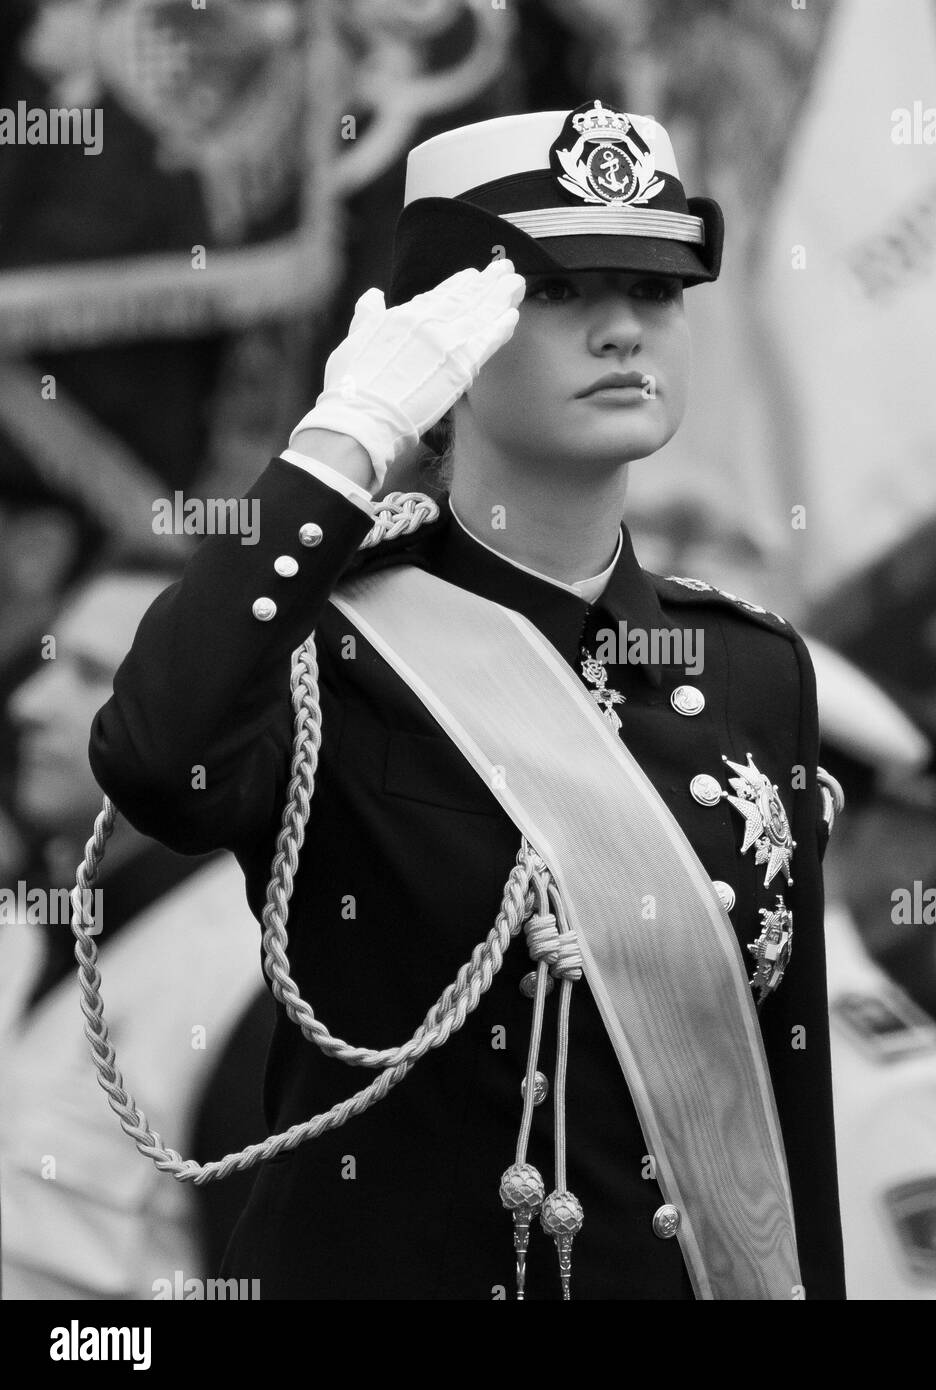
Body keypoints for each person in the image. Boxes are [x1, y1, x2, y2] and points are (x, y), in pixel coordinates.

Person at [90, 101, 845, 1300]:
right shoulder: (319, 642)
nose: (621, 332)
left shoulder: (751, 669)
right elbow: (153, 758)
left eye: (655, 291)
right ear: (442, 340)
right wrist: (343, 443)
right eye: (556, 291)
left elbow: (782, 1095)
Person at [0, 566, 271, 1299]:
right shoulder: (18, 921)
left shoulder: (256, 979)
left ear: (201, 719)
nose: (28, 704)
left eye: (91, 675)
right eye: (47, 664)